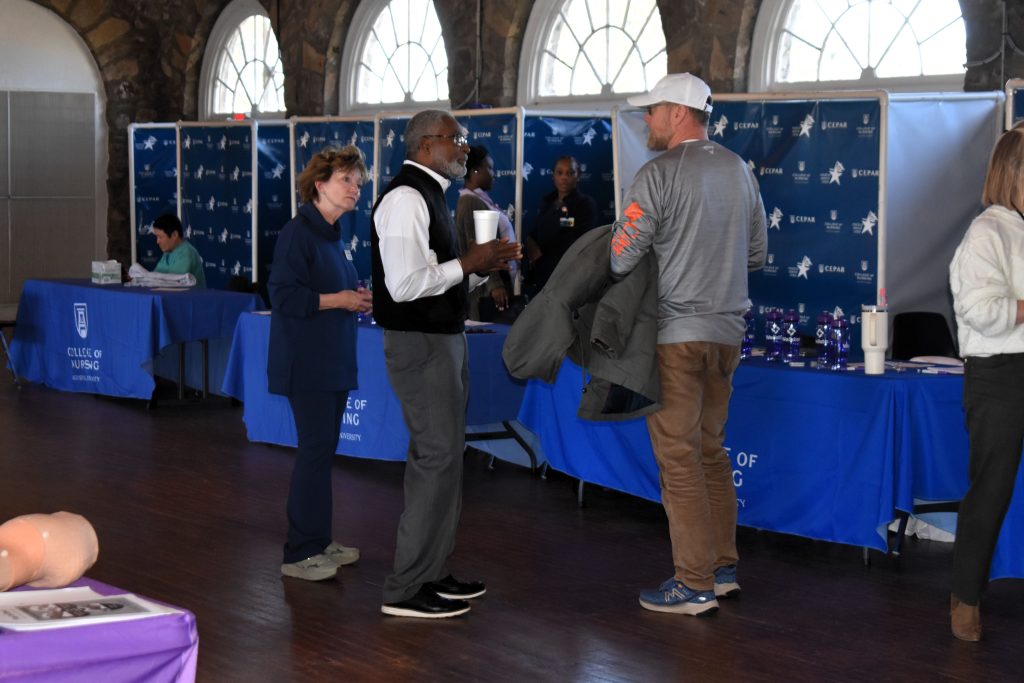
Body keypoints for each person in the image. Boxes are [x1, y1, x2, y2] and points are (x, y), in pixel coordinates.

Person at [608, 73, 767, 616]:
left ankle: (694, 582)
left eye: (652, 110)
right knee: (709, 451)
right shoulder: (740, 170)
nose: (647, 120)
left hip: (676, 336)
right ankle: (721, 569)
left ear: (678, 113)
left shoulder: (655, 174)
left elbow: (620, 257)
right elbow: (756, 256)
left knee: (678, 459)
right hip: (727, 336)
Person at [371, 110, 521, 618]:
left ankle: (432, 571)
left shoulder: (433, 195)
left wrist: (482, 270)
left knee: (445, 458)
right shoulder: (404, 199)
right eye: (457, 140)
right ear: (426, 143)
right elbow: (403, 285)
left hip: (442, 338)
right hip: (419, 344)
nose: (465, 149)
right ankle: (405, 587)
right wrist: (469, 263)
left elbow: (439, 278)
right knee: (435, 459)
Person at [267, 146, 373, 582]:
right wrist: (341, 300)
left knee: (323, 454)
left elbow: (337, 293)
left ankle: (319, 539)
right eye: (346, 180)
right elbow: (284, 295)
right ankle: (300, 552)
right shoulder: (299, 233)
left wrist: (357, 298)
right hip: (306, 364)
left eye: (359, 183)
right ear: (319, 185)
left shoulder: (336, 235)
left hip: (333, 361)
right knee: (313, 454)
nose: (355, 189)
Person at [948, 123, 1024, 642]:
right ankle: (965, 597)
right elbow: (979, 311)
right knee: (991, 491)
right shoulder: (987, 232)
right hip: (1001, 375)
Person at [455, 145, 515, 320]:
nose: (493, 173)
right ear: (474, 171)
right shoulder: (471, 202)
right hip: (484, 293)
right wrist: (495, 285)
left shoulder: (477, 200)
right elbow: (482, 248)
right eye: (489, 168)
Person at [525, 156, 599, 292]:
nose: (564, 177)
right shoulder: (547, 202)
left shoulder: (585, 204)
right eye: (560, 173)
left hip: (569, 273)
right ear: (553, 175)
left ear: (578, 176)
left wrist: (546, 248)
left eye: (570, 173)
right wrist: (532, 246)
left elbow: (581, 239)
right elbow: (533, 233)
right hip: (543, 275)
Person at [151, 214, 206, 287]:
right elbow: (155, 276)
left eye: (160, 237)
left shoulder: (186, 252)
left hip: (190, 298)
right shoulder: (167, 252)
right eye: (156, 237)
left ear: (174, 235)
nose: (157, 241)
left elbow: (173, 282)